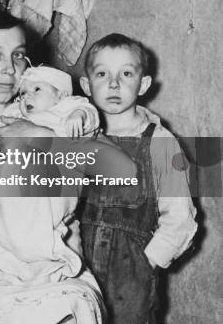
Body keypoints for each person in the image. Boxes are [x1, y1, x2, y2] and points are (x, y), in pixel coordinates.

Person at [0, 10, 136, 324]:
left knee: (71, 307)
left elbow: (124, 173)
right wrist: (10, 210)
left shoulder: (59, 116)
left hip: (55, 268)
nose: (9, 68)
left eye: (19, 55)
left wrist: (41, 136)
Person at [78, 33, 197, 323]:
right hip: (78, 271)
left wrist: (148, 262)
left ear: (142, 84)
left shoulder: (160, 142)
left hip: (131, 281)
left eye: (126, 73)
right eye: (102, 73)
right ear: (86, 85)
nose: (114, 83)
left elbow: (181, 217)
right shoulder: (77, 139)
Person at [0, 65, 99, 138]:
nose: (26, 97)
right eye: (23, 93)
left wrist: (79, 114)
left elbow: (88, 109)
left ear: (61, 96)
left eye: (37, 89)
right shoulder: (16, 112)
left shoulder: (65, 106)